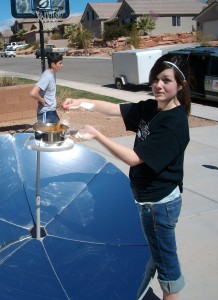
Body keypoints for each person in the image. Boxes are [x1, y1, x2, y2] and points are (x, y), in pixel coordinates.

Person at [62, 54, 191, 300]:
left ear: (180, 86)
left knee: (167, 264)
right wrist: (81, 102)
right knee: (155, 254)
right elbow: (112, 109)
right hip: (147, 200)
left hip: (159, 205)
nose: (159, 85)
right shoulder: (151, 108)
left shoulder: (173, 124)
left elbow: (134, 158)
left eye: (166, 80)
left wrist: (96, 136)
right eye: (155, 79)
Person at [30, 52, 64, 124]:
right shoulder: (47, 76)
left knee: (58, 132)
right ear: (53, 64)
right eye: (60, 63)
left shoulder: (52, 73)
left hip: (51, 111)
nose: (62, 65)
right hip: (46, 112)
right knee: (45, 134)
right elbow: (33, 93)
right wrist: (42, 100)